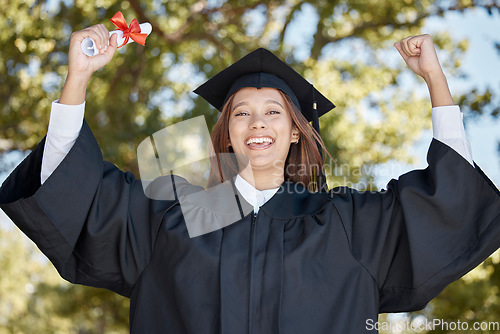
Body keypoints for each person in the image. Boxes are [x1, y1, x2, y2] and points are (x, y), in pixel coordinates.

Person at [0, 24, 499, 334]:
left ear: (297, 134)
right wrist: (78, 78)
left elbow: (447, 200)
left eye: (273, 112)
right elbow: (76, 190)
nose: (257, 123)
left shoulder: (346, 225)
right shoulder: (171, 219)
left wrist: (435, 80)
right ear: (227, 133)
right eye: (241, 113)